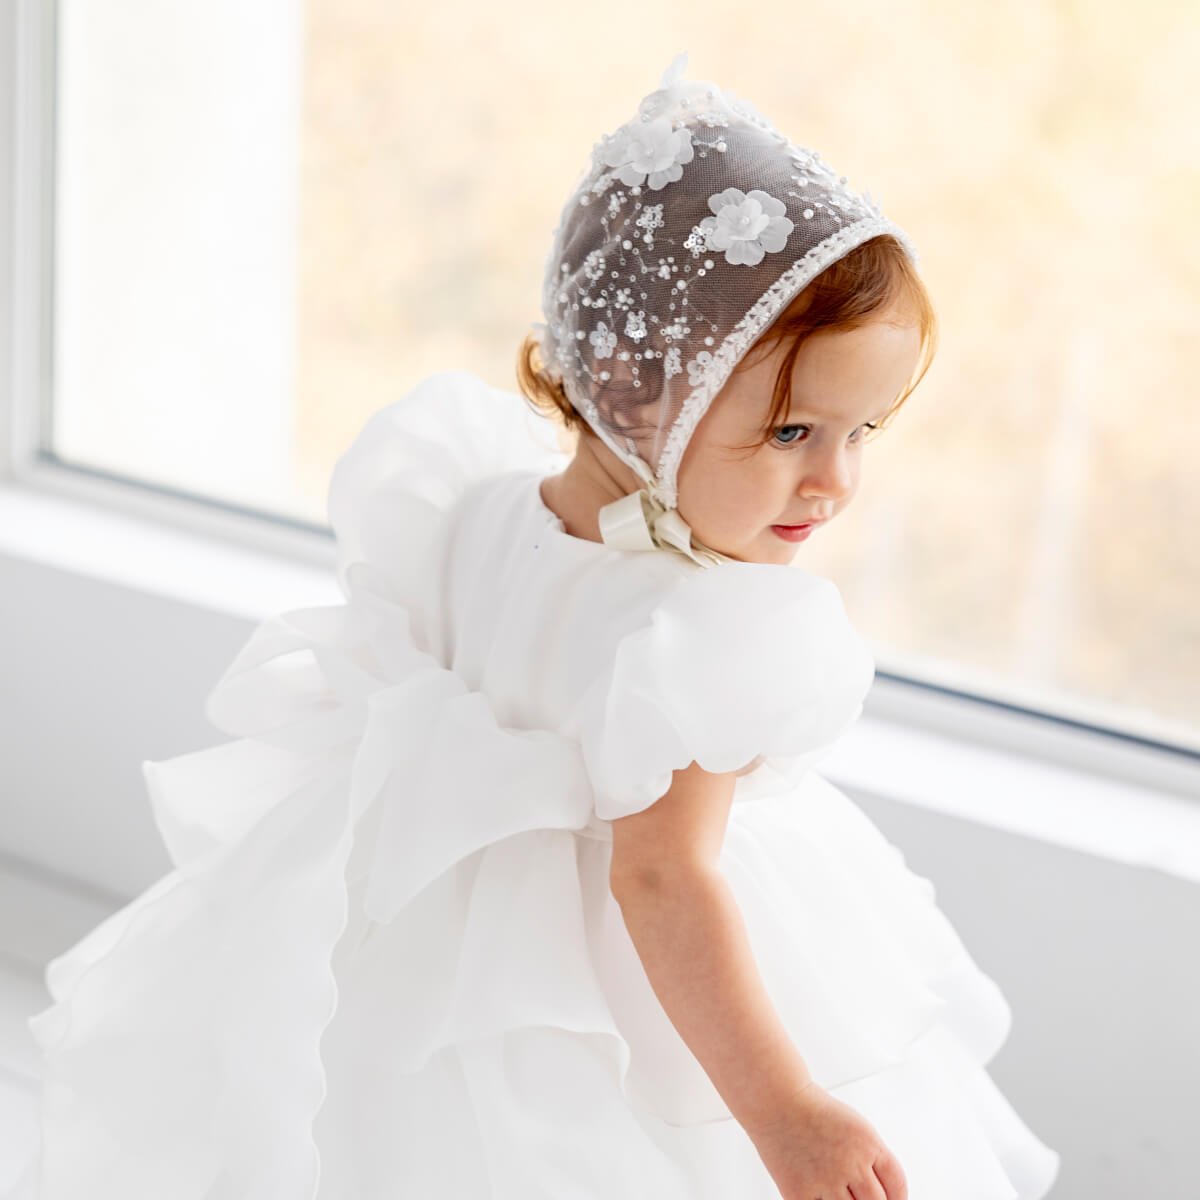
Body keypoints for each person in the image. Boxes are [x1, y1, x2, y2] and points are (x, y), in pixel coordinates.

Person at [10, 51, 1061, 1200]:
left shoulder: (477, 508)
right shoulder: (705, 628)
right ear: (631, 382)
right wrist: (786, 1112)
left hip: (436, 954)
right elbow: (663, 884)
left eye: (865, 432)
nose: (837, 482)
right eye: (793, 433)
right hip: (620, 996)